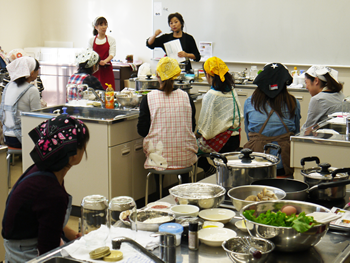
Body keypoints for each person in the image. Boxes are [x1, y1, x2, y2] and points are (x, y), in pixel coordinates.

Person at [2, 114, 90, 263]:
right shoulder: (51, 192)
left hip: (24, 241)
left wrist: (71, 234)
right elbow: (48, 253)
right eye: (84, 146)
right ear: (73, 153)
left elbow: (48, 220)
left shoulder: (47, 170)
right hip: (26, 253)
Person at [137, 57, 197, 190]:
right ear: (176, 75)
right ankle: (186, 195)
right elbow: (192, 126)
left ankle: (160, 194)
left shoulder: (149, 98)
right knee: (183, 165)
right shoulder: (186, 97)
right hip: (186, 158)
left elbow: (142, 130)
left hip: (158, 159)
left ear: (157, 75)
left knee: (157, 157)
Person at [244, 63, 301, 177]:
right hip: (284, 162)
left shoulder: (250, 102)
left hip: (256, 160)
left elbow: (248, 132)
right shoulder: (293, 103)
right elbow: (295, 132)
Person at [196, 57, 243, 176]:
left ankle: (207, 168)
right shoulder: (232, 91)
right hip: (235, 139)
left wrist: (194, 135)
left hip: (221, 143)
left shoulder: (211, 96)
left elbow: (204, 128)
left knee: (190, 146)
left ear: (207, 74)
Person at [0, 56, 41, 148]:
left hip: (6, 136)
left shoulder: (8, 86)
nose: (38, 73)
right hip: (21, 139)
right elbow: (37, 117)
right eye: (37, 70)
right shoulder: (32, 90)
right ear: (31, 73)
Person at [89, 16, 116, 90]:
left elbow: (112, 53)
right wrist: (97, 61)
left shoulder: (111, 40)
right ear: (96, 27)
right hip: (95, 69)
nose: (104, 27)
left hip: (107, 69)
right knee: (95, 91)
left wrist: (105, 61)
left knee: (108, 91)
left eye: (105, 24)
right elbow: (90, 54)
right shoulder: (91, 40)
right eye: (101, 25)